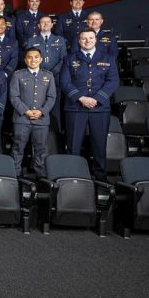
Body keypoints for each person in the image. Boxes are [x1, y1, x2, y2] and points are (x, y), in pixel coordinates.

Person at [60, 29, 119, 181]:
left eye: (91, 38)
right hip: (75, 108)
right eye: (84, 39)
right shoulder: (69, 59)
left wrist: (98, 99)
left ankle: (100, 177)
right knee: (73, 145)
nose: (87, 41)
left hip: (99, 108)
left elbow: (113, 81)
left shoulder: (108, 58)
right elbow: (65, 82)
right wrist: (81, 98)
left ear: (95, 39)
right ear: (79, 41)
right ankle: (73, 176)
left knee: (99, 145)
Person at [9, 48, 57, 178]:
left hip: (41, 120)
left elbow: (51, 98)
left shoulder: (48, 75)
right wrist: (26, 111)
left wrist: (41, 111)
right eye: (30, 57)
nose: (33, 60)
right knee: (18, 148)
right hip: (22, 119)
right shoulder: (18, 75)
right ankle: (15, 175)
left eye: (36, 57)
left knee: (41, 149)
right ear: (25, 60)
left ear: (41, 59)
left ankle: (40, 176)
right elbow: (14, 97)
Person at [26, 16, 67, 132]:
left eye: (48, 22)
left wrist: (51, 73)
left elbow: (63, 59)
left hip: (56, 79)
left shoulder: (60, 40)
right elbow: (30, 59)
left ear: (52, 24)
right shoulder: (32, 41)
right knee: (37, 105)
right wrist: (42, 74)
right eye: (42, 22)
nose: (45, 24)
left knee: (55, 107)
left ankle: (56, 135)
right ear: (38, 25)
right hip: (36, 80)